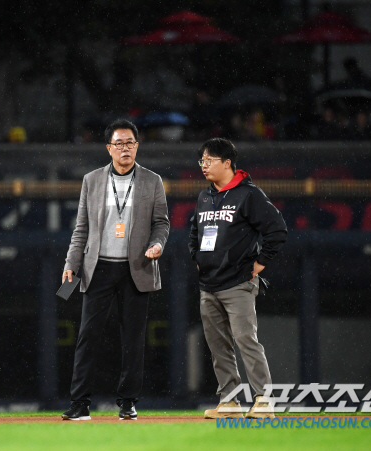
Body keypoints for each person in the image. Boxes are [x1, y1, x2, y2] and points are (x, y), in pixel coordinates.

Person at [61, 119, 170, 421]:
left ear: (137, 146)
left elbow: (161, 223)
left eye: (130, 143)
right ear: (109, 148)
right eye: (119, 143)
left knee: (133, 338)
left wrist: (158, 244)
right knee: (87, 336)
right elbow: (81, 228)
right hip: (99, 268)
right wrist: (71, 262)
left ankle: (128, 402)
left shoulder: (152, 180)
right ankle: (80, 404)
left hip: (136, 268)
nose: (125, 148)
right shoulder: (92, 180)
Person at [188, 138, 287, 420]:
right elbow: (194, 232)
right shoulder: (204, 197)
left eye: (209, 160)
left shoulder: (249, 195)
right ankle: (229, 402)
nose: (204, 165)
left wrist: (260, 263)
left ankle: (264, 401)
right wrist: (196, 257)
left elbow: (277, 229)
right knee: (219, 346)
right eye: (202, 161)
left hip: (238, 283)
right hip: (209, 284)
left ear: (227, 163)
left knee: (246, 340)